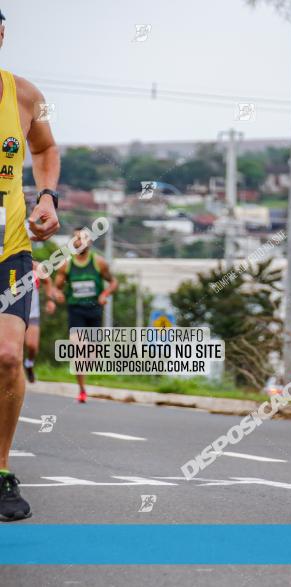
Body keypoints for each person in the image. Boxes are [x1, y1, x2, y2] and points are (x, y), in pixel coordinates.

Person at [0, 8, 62, 522]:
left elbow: (44, 148)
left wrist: (47, 197)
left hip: (10, 248)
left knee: (5, 356)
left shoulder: (24, 95)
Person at [52, 227, 118, 403]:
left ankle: (84, 375)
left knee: (92, 353)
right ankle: (82, 390)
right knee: (79, 349)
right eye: (77, 239)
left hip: (94, 311)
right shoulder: (67, 264)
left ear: (90, 242)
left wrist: (105, 294)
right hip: (76, 311)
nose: (80, 243)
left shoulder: (99, 263)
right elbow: (55, 288)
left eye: (83, 239)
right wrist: (56, 294)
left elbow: (113, 282)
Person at [23, 258, 58, 383]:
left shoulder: (35, 267)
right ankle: (14, 373)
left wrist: (49, 300)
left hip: (32, 314)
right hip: (14, 315)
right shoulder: (7, 263)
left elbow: (48, 281)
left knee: (32, 346)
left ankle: (29, 364)